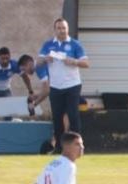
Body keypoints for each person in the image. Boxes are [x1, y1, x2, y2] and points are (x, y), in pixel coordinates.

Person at [38, 17, 89, 153]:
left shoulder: (75, 44)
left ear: (68, 29)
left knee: (73, 116)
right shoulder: (48, 44)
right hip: (55, 86)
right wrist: (45, 59)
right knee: (57, 117)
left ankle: (78, 147)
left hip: (72, 85)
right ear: (55, 30)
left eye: (64, 28)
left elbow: (86, 63)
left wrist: (73, 61)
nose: (61, 31)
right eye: (59, 28)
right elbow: (38, 62)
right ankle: (59, 148)